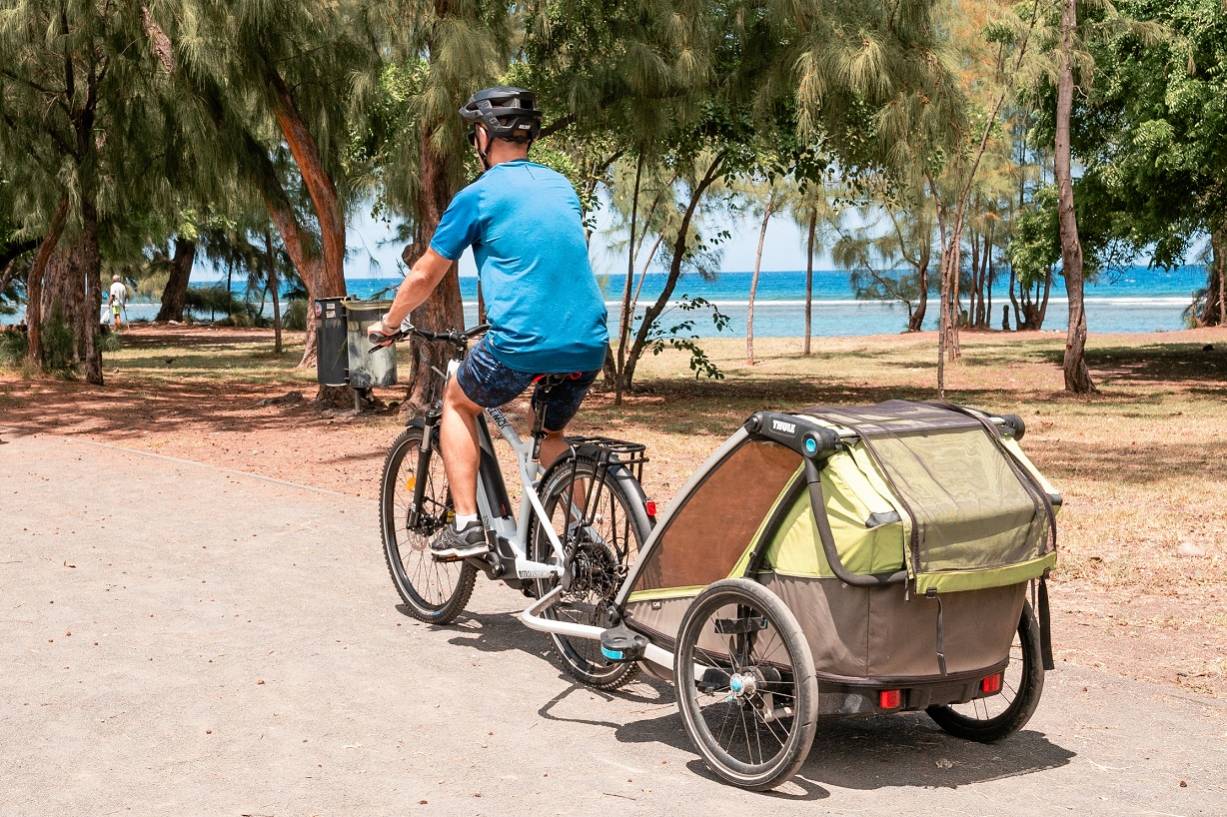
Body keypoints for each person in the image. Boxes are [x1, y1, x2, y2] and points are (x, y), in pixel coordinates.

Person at [368, 87, 608, 561]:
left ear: (482, 135)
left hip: (520, 344)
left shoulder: (476, 196)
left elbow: (425, 274)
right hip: (589, 343)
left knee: (457, 401)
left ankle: (467, 526)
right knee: (550, 432)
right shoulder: (561, 187)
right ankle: (585, 538)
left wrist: (391, 324)